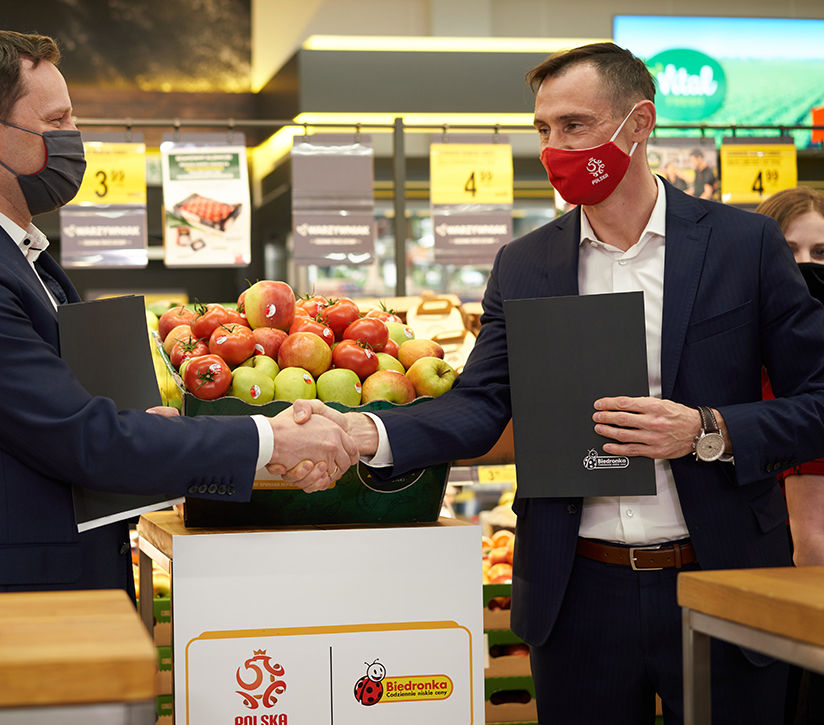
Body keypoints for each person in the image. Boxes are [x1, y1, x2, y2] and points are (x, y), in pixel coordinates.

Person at [284, 43, 824, 724]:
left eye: (574, 126)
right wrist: (369, 430)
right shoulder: (525, 265)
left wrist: (708, 431)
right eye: (542, 129)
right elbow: (480, 406)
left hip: (720, 579)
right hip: (579, 592)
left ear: (640, 123)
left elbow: (819, 400)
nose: (553, 148)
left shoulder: (743, 246)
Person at [0, 27, 357, 597]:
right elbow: (80, 439)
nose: (75, 139)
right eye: (56, 122)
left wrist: (149, 432)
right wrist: (269, 442)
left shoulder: (15, 256)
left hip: (44, 602)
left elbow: (75, 426)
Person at [754, 186, 824, 725]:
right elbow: (811, 544)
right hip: (775, 611)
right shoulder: (753, 364)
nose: (804, 267)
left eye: (819, 253)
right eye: (789, 253)